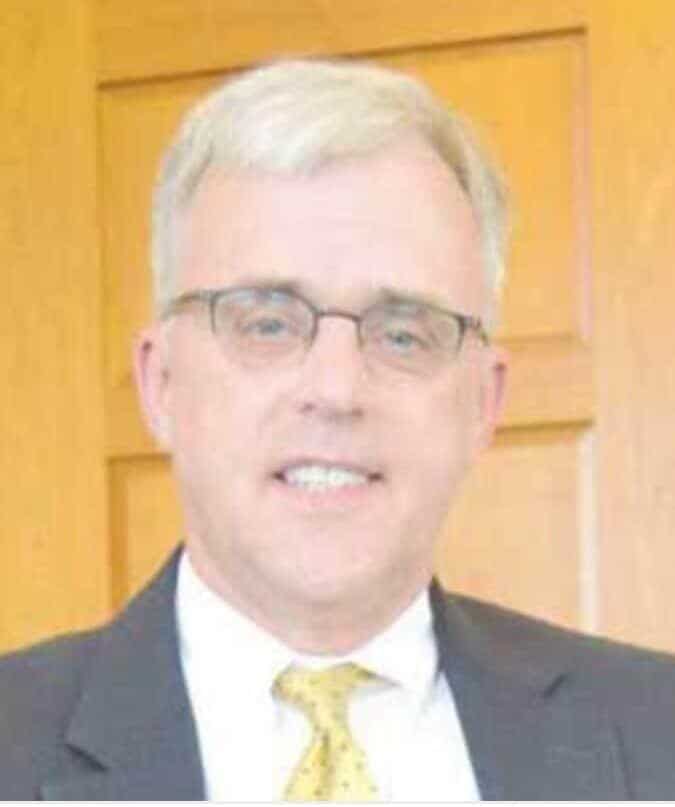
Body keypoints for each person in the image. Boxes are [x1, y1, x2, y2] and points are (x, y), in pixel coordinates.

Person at [2, 57, 675, 802]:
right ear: (161, 383)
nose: (335, 388)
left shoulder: (654, 733)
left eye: (403, 333)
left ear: (483, 402)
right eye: (266, 322)